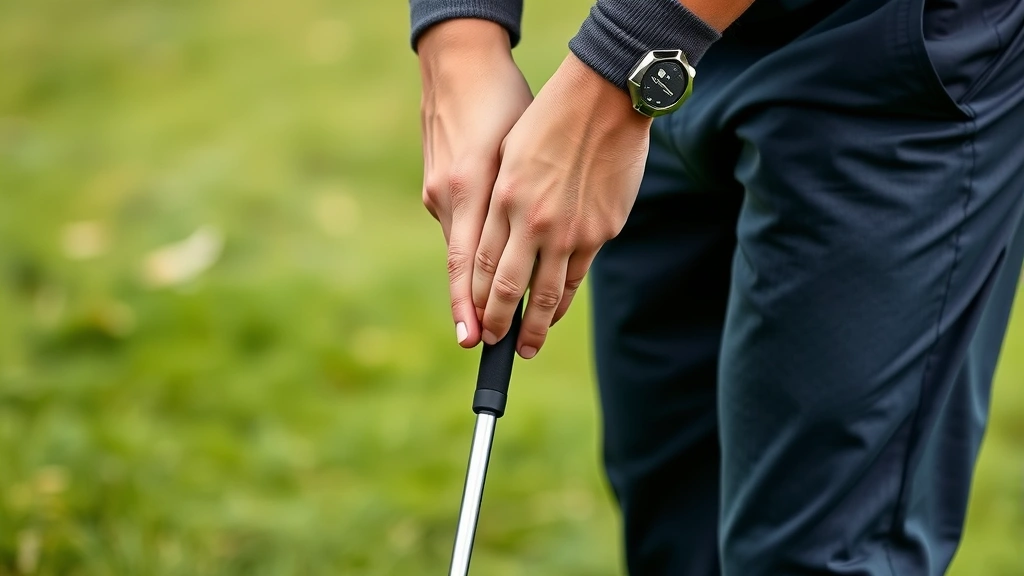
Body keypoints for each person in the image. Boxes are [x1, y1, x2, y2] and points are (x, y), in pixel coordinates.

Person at [409, 0, 1024, 573]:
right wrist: (461, 40)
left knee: (813, 553)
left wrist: (623, 57)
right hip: (660, 55)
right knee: (675, 525)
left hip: (885, 53)